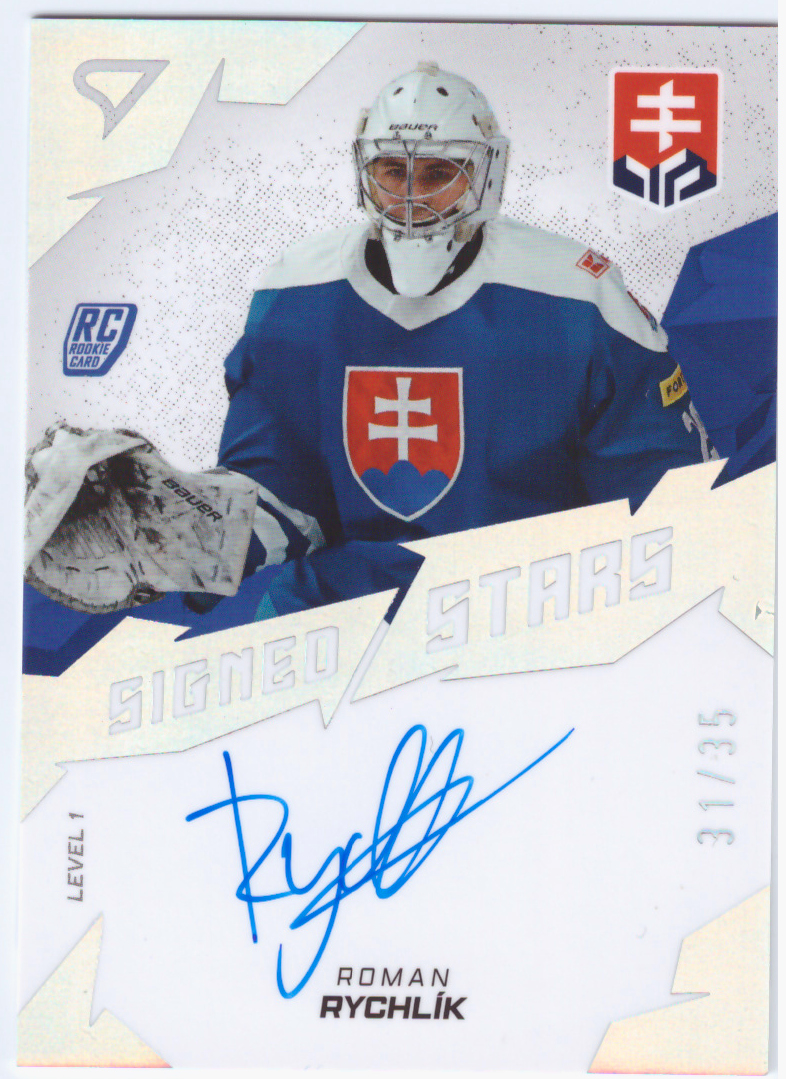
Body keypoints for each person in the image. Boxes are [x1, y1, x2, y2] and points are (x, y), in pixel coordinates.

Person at [213, 62, 713, 620]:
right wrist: (197, 535)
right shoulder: (296, 290)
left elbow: (662, 497)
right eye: (392, 171)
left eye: (437, 173)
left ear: (485, 175)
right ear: (364, 170)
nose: (411, 196)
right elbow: (283, 484)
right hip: (346, 613)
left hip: (523, 611)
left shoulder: (577, 295)